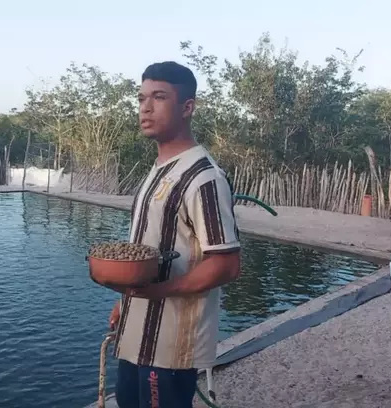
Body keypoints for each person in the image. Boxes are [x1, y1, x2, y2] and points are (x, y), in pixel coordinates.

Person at [109, 61, 242, 408]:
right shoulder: (159, 170)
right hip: (137, 333)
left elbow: (226, 264)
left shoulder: (203, 177)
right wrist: (126, 300)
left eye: (159, 97)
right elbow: (147, 247)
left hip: (170, 346)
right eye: (141, 98)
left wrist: (159, 291)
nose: (145, 107)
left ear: (187, 107)